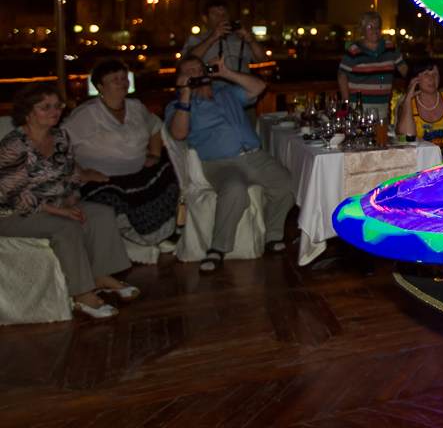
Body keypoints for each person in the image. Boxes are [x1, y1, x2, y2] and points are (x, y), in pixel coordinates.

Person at [0, 82, 137, 320]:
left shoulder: (60, 138)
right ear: (27, 112)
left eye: (57, 106)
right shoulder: (13, 145)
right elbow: (15, 195)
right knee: (67, 227)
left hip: (55, 205)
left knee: (101, 213)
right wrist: (62, 212)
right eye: (45, 107)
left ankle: (100, 275)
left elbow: (72, 177)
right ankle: (81, 294)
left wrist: (72, 203)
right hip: (14, 214)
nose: (54, 111)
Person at [165, 53, 293, 273]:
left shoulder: (225, 91)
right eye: (191, 72)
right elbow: (178, 133)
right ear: (181, 78)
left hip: (255, 156)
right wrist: (185, 94)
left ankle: (272, 235)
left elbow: (259, 87)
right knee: (234, 188)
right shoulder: (178, 105)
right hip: (221, 163)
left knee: (287, 184)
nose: (198, 73)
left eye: (200, 69)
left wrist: (227, 73)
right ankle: (217, 248)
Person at [63, 59, 181, 249]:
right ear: (100, 86)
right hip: (103, 179)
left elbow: (156, 127)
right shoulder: (89, 113)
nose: (123, 82)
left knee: (171, 172)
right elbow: (59, 144)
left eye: (124, 77)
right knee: (110, 199)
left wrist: (155, 153)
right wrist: (81, 172)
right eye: (115, 79)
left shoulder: (135, 107)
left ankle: (153, 236)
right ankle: (132, 240)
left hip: (137, 174)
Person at [338, 10, 408, 120]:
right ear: (362, 30)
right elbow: (342, 75)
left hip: (383, 106)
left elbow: (404, 69)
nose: (375, 30)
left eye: (377, 27)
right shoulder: (353, 50)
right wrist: (346, 103)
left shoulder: (390, 47)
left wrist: (416, 84)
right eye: (370, 27)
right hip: (358, 106)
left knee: (380, 131)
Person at [396, 61, 443, 161]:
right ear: (415, 79)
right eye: (426, 74)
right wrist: (408, 99)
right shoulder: (407, 106)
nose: (432, 78)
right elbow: (406, 138)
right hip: (422, 163)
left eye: (435, 74)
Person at [182, 0, 268, 74]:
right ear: (205, 18)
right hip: (212, 86)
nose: (222, 18)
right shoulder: (197, 39)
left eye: (225, 14)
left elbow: (263, 58)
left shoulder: (240, 37)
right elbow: (187, 61)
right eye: (216, 15)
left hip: (241, 85)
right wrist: (212, 38)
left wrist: (250, 41)